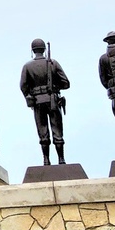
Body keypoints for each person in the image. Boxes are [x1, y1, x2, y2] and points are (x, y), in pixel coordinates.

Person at [19, 37, 70, 166]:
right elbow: (66, 83)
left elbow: (23, 86)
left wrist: (30, 95)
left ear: (33, 50)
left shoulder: (27, 66)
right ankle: (61, 159)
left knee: (43, 132)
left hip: (37, 102)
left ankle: (46, 160)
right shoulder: (53, 63)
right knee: (57, 131)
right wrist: (54, 86)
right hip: (53, 99)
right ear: (44, 49)